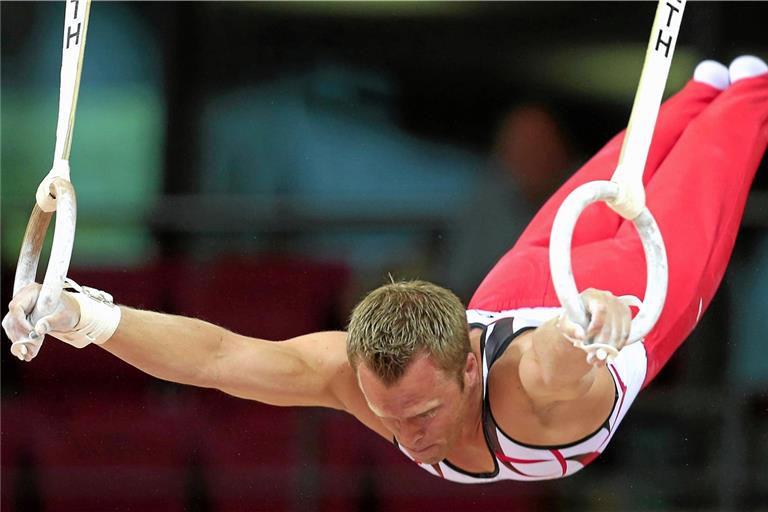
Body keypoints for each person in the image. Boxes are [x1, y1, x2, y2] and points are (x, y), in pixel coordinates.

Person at [4, 56, 767, 483]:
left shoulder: (528, 388)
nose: (406, 434)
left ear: (469, 364)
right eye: (390, 414)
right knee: (666, 121)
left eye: (422, 413)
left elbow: (554, 363)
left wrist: (591, 325)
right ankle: (699, 86)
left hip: (618, 294)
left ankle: (746, 86)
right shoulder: (360, 379)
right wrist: (84, 317)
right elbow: (216, 358)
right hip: (527, 282)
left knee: (735, 125)